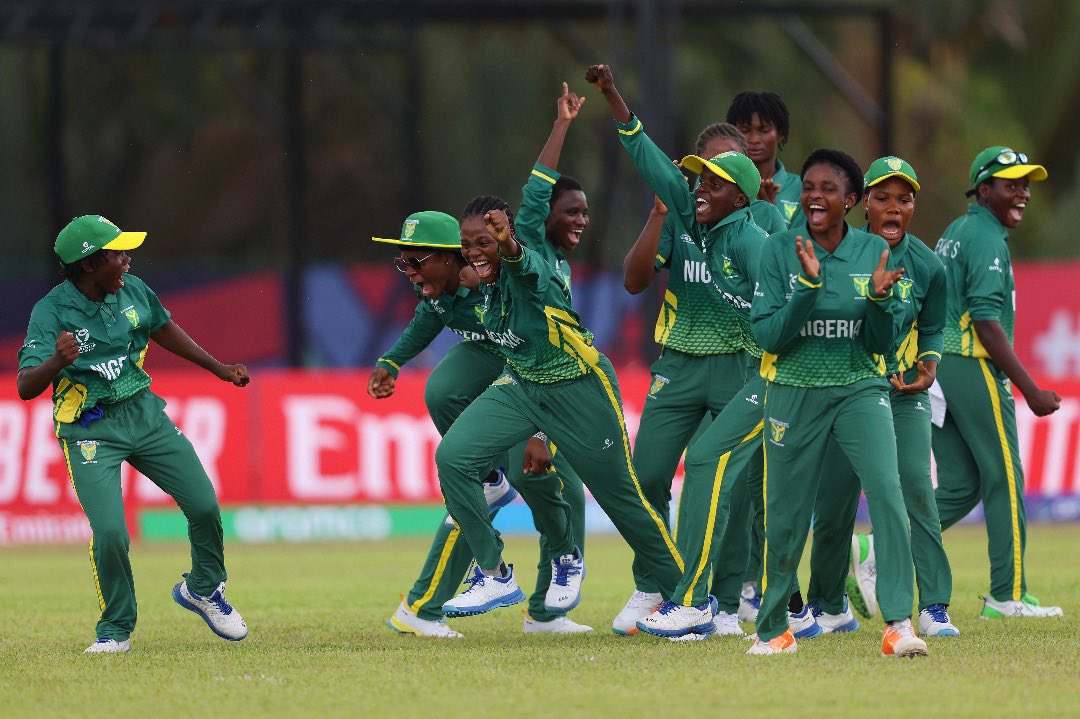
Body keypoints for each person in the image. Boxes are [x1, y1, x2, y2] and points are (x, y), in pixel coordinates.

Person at [434, 196, 685, 618]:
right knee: (453, 457)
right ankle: (494, 572)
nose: (474, 252)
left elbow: (523, 266)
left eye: (484, 243)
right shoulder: (487, 287)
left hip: (579, 387)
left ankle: (689, 598)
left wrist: (508, 246)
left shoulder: (530, 267)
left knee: (622, 501)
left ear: (506, 238)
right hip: (522, 385)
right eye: (467, 245)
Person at [588, 63, 768, 639]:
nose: (699, 187)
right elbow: (646, 157)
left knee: (723, 486)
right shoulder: (684, 210)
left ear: (740, 192)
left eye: (714, 179)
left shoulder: (756, 234)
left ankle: (720, 602)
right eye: (697, 176)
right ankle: (655, 584)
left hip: (738, 367)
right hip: (680, 364)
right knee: (646, 475)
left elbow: (790, 300)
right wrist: (613, 95)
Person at [17, 215, 250, 654]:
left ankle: (203, 589)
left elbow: (163, 328)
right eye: (118, 254)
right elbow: (26, 386)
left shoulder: (133, 289)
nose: (127, 260)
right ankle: (115, 630)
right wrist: (55, 362)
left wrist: (218, 368)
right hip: (90, 428)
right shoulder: (50, 312)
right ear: (89, 264)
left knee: (203, 504)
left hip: (144, 415)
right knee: (110, 534)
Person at [370, 211, 590, 637]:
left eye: (416, 261)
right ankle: (427, 605)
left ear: (451, 257)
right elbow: (426, 318)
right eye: (403, 262)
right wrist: (391, 361)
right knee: (450, 418)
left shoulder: (501, 279)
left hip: (536, 378)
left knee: (552, 485)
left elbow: (542, 351)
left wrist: (540, 431)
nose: (409, 272)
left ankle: (545, 611)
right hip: (501, 388)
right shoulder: (439, 288)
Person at [746, 149, 929, 657]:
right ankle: (774, 629)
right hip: (793, 390)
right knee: (785, 515)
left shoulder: (873, 250)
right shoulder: (779, 249)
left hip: (859, 387)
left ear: (851, 201)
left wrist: (879, 301)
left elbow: (881, 344)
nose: (814, 196)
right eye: (809, 187)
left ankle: (898, 624)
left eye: (828, 189)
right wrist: (806, 288)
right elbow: (768, 336)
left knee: (887, 493)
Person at [797, 157, 958, 637]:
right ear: (863, 203)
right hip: (846, 391)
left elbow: (933, 327)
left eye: (904, 200)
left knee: (916, 489)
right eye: (882, 198)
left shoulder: (928, 266)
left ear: (913, 207)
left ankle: (933, 607)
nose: (893, 208)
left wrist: (929, 365)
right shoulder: (837, 252)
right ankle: (828, 604)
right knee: (833, 504)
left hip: (904, 394)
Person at [929, 146, 1063, 619]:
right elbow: (986, 323)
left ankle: (879, 548)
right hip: (971, 363)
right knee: (1005, 477)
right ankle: (1008, 596)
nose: (1022, 193)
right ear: (984, 190)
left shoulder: (957, 230)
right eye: (1011, 185)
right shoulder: (986, 237)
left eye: (1025, 184)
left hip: (939, 366)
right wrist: (1030, 390)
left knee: (961, 485)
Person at [726, 91, 803, 228]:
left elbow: (800, 240)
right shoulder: (715, 181)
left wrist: (771, 218)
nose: (754, 139)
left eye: (764, 131)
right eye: (745, 131)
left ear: (780, 134)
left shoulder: (801, 189)